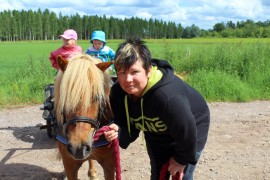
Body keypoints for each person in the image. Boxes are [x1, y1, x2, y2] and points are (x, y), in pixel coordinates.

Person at [104, 37, 210, 180]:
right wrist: (118, 130)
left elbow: (186, 129)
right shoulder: (118, 93)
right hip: (156, 132)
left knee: (181, 175)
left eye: (134, 72)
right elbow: (127, 127)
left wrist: (181, 160)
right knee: (158, 173)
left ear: (148, 70)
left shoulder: (167, 97)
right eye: (121, 72)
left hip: (192, 128)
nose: (127, 79)